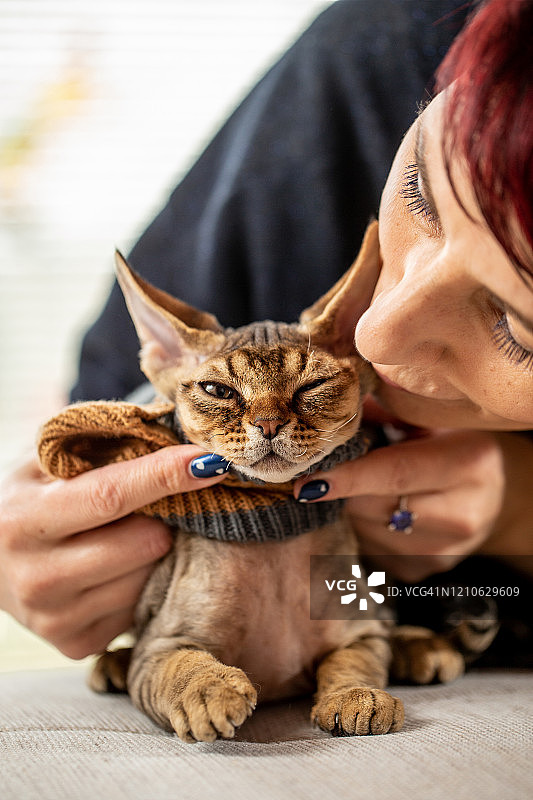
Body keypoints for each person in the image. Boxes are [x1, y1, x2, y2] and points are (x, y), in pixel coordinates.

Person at [1, 0, 532, 662]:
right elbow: (100, 407)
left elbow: (346, 609)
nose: (373, 336)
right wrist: (55, 536)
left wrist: (517, 510)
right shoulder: (411, 37)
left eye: (514, 327)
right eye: (421, 192)